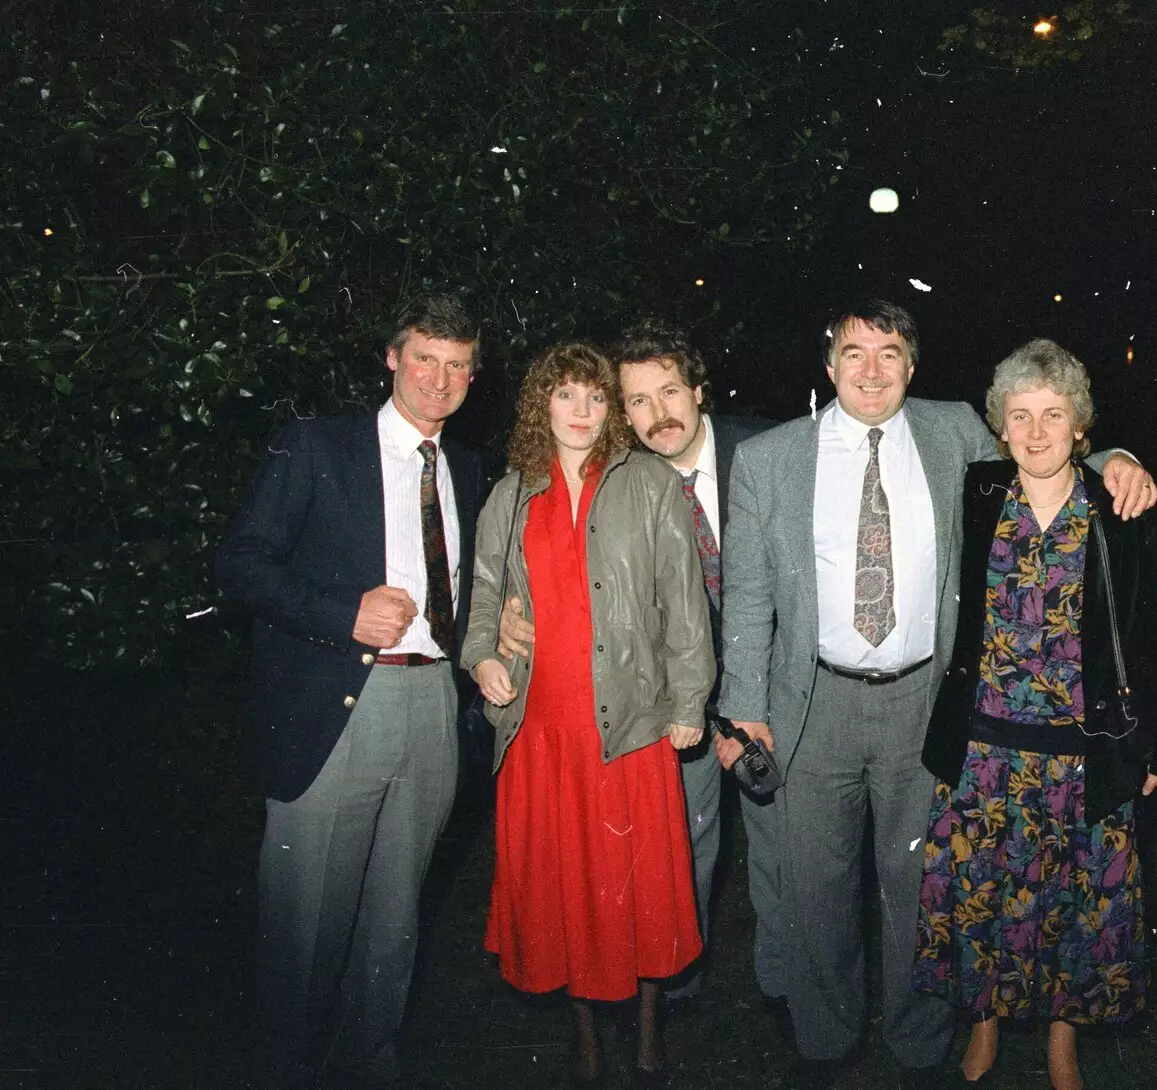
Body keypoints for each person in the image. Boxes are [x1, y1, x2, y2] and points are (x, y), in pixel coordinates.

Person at [716, 300, 1157, 1087]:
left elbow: (1045, 448)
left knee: (917, 877)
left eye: (890, 354)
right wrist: (745, 706)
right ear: (829, 366)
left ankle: (921, 1042)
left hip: (925, 698)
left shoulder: (952, 430)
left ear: (912, 368)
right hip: (813, 699)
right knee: (815, 883)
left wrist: (1118, 454)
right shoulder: (770, 459)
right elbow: (748, 594)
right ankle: (825, 1040)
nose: (873, 370)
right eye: (855, 353)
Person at [214, 293, 483, 1087]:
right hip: (338, 708)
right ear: (393, 357)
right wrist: (342, 612)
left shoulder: (465, 467)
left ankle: (372, 1064)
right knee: (306, 927)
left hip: (432, 706)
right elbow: (240, 564)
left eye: (458, 365)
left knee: (395, 918)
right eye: (425, 358)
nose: (440, 380)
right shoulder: (319, 446)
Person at [915, 339, 1157, 1089]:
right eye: (1021, 415)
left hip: (1081, 751)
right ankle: (985, 1025)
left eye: (1054, 415)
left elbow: (1154, 630)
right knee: (979, 895)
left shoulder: (1117, 508)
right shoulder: (975, 495)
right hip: (984, 749)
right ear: (999, 426)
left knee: (1075, 902)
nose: (1036, 433)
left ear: (1081, 427)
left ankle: (1064, 1038)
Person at [497, 324, 785, 1010]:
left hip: (770, 686)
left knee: (785, 850)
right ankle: (673, 978)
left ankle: (788, 988)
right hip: (669, 697)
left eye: (670, 392)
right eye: (637, 401)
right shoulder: (620, 482)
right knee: (681, 844)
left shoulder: (771, 452)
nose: (659, 414)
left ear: (699, 390)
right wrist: (513, 613)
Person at [460, 341, 715, 1084]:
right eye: (565, 396)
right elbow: (481, 600)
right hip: (541, 729)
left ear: (611, 410)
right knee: (565, 890)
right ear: (542, 404)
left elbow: (685, 606)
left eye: (595, 398)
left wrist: (690, 701)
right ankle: (586, 1040)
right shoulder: (510, 494)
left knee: (637, 893)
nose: (581, 411)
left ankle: (644, 1034)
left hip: (629, 726)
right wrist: (482, 656)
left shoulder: (650, 485)